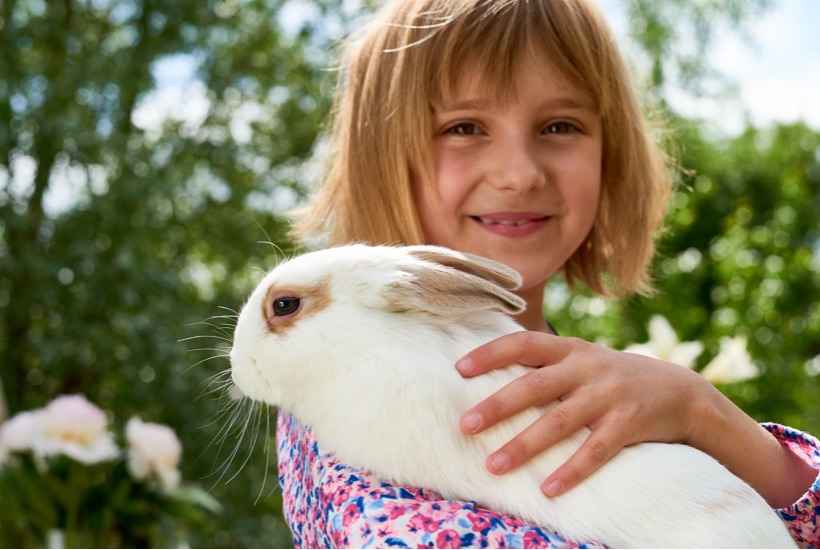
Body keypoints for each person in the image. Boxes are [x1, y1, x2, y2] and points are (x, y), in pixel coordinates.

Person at [276, 0, 820, 546]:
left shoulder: (620, 386)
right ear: (384, 156)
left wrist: (704, 414)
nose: (520, 173)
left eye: (560, 125)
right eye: (464, 127)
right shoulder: (335, 379)